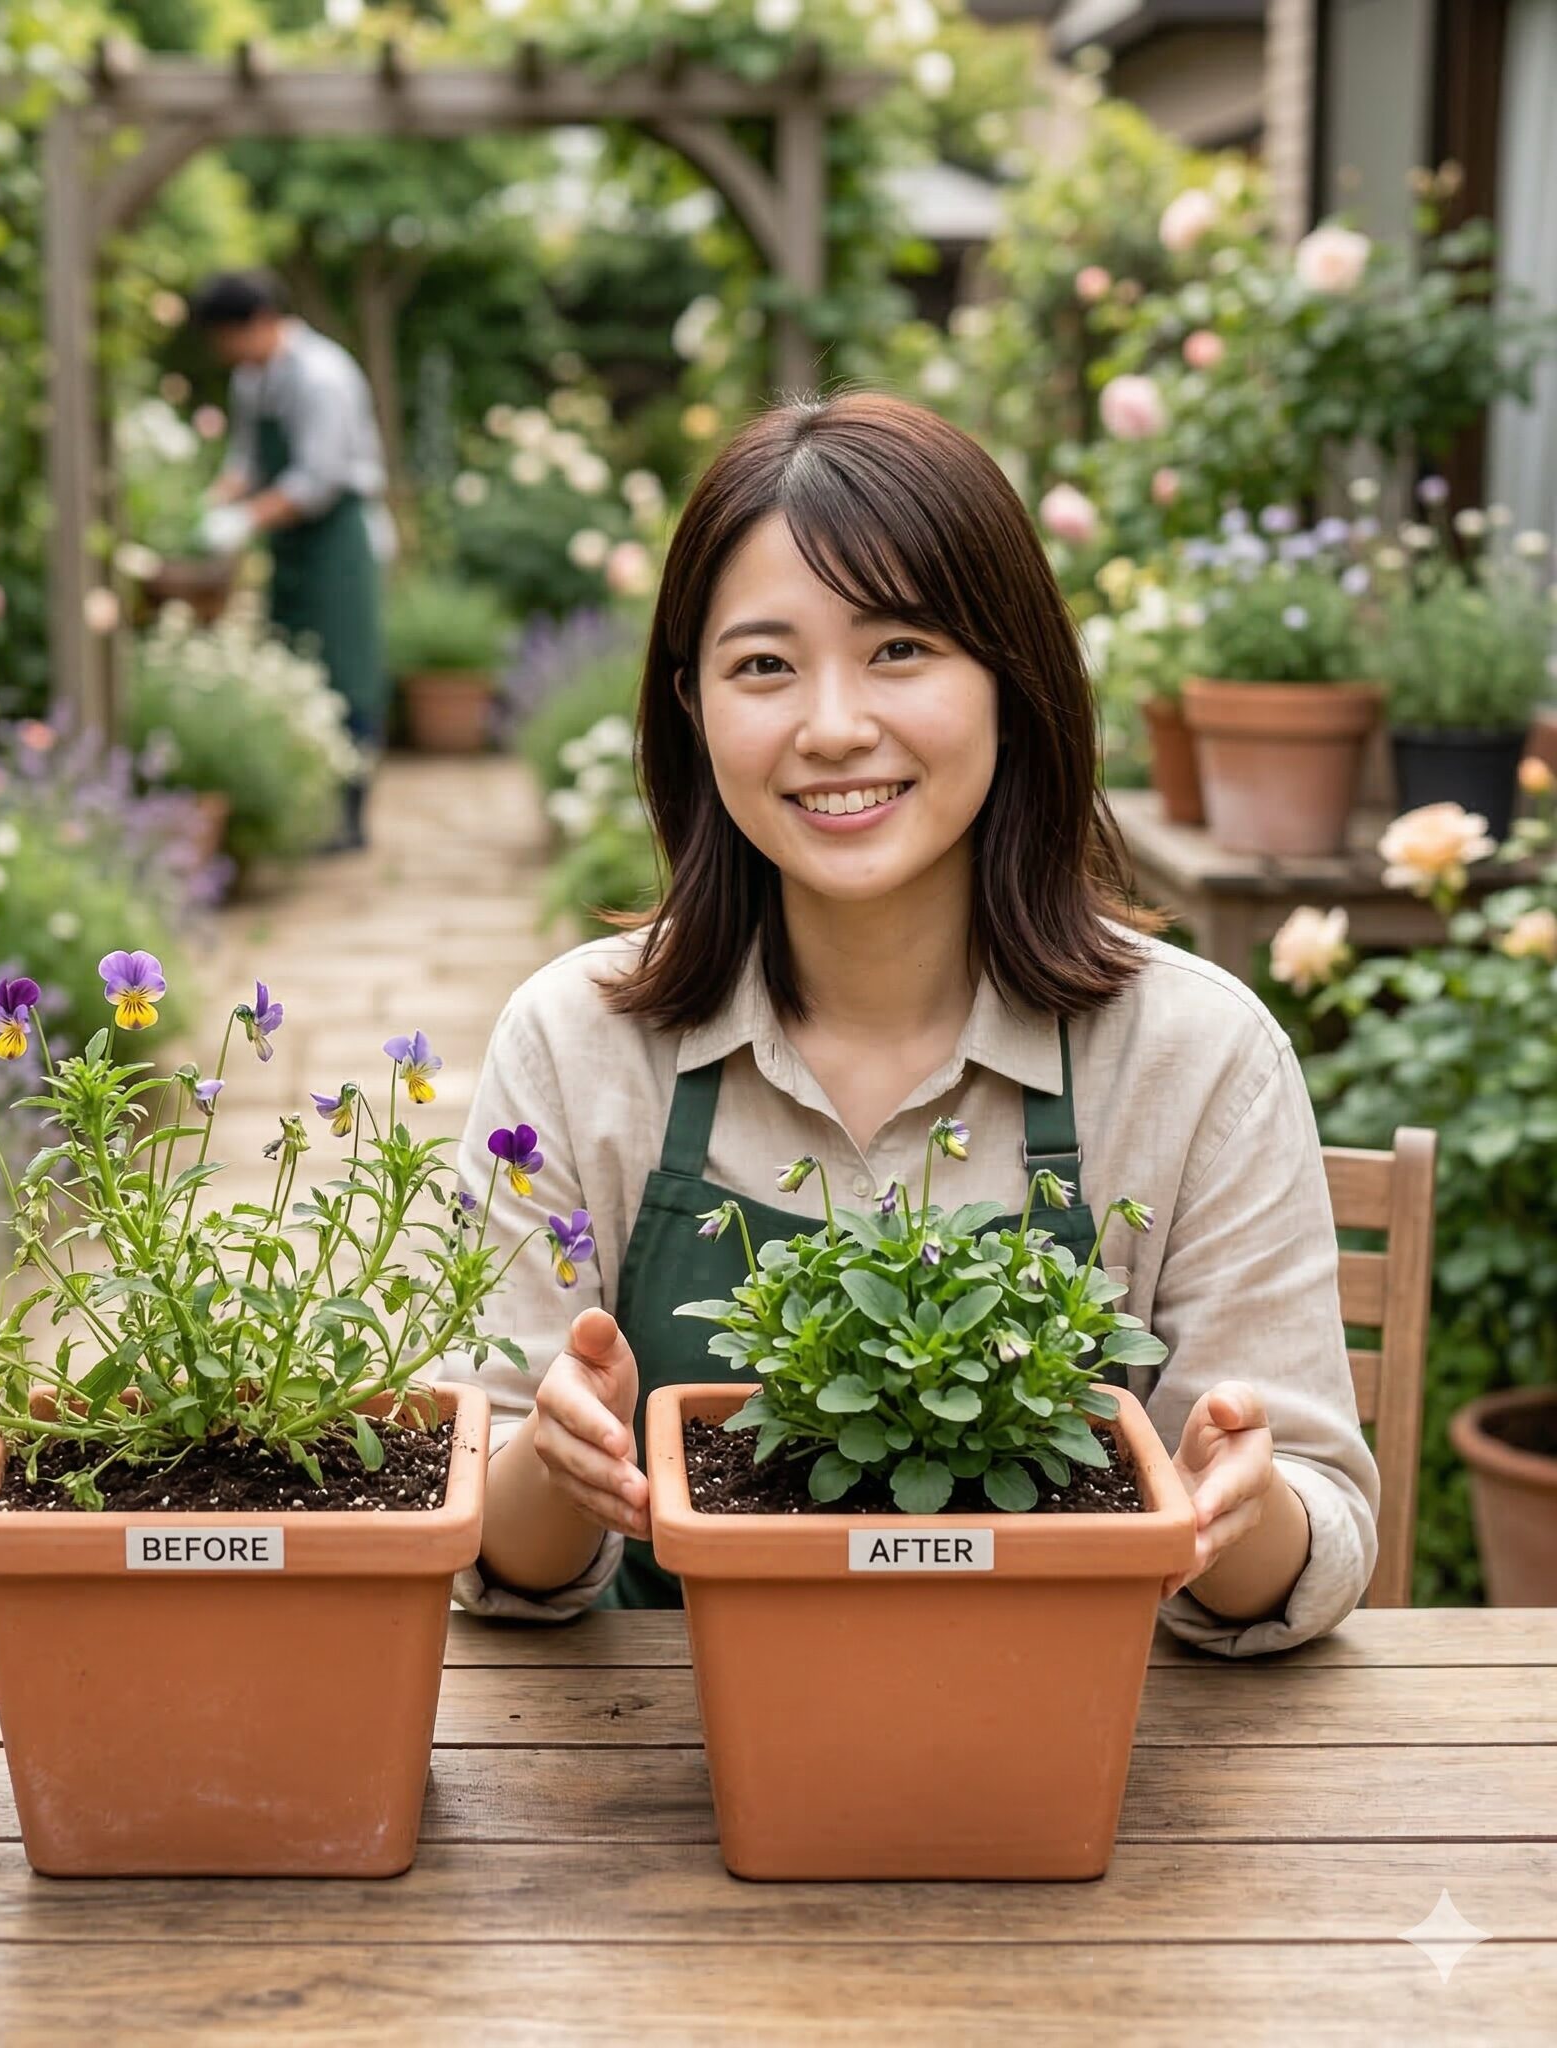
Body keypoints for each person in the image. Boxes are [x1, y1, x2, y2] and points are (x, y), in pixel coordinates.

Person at [443, 392, 1379, 1652]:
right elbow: (481, 1535)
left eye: (898, 649)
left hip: (1080, 1746)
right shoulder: (573, 1041)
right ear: (691, 706)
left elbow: (1303, 1534)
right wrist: (555, 1464)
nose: (832, 726)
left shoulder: (1194, 1054)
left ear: (1010, 676)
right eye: (762, 664)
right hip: (666, 1761)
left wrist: (1236, 1505)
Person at [192, 271, 391, 852]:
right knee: (296, 662)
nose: (225, 355)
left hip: (337, 538)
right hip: (291, 542)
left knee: (345, 668)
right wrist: (216, 499)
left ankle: (350, 816)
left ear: (258, 323)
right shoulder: (253, 379)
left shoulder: (320, 376)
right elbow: (247, 459)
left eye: (227, 339)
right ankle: (311, 808)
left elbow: (318, 480)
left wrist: (248, 519)